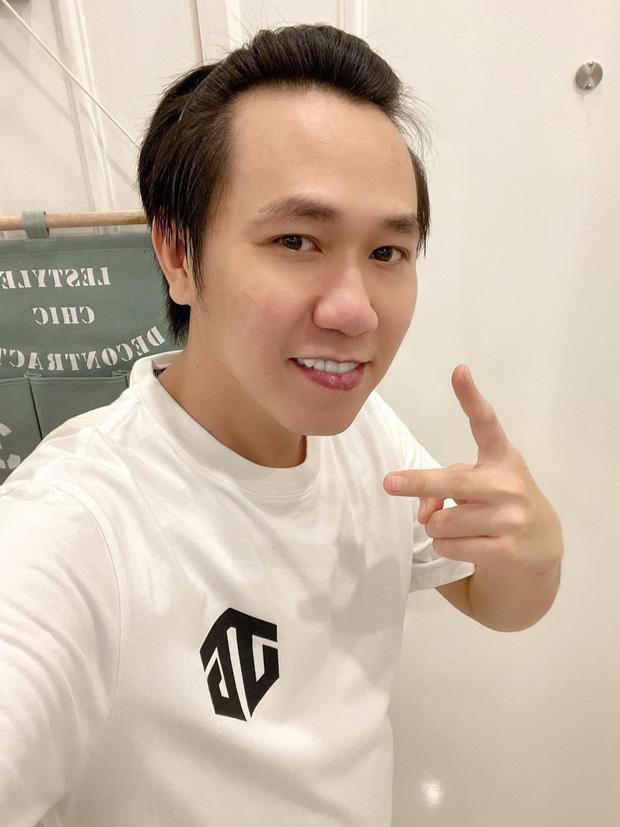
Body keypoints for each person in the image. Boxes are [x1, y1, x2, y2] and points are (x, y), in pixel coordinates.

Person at [0, 23, 475, 825]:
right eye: (296, 240)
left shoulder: (368, 433)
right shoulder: (75, 525)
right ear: (177, 254)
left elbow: (493, 592)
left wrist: (536, 550)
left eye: (387, 252)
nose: (355, 309)